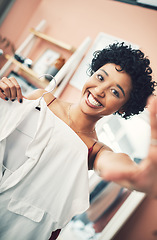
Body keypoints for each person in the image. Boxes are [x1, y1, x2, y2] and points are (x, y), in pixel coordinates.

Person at [0, 42, 157, 240]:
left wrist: (138, 176)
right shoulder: (42, 100)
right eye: (100, 77)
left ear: (123, 108)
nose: (100, 91)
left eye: (115, 92)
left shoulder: (96, 151)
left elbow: (115, 164)